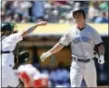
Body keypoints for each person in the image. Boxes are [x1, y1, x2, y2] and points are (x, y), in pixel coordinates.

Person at [40, 9, 105, 87]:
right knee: (74, 86)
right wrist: (48, 53)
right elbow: (60, 45)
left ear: (84, 17)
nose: (77, 18)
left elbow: (100, 45)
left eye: (79, 16)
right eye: (75, 17)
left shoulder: (92, 31)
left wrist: (101, 55)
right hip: (76, 64)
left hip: (89, 63)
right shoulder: (70, 31)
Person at [0, 21, 46, 87]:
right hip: (5, 69)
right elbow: (25, 32)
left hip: (5, 68)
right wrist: (36, 25)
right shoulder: (10, 38)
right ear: (8, 31)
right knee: (21, 84)